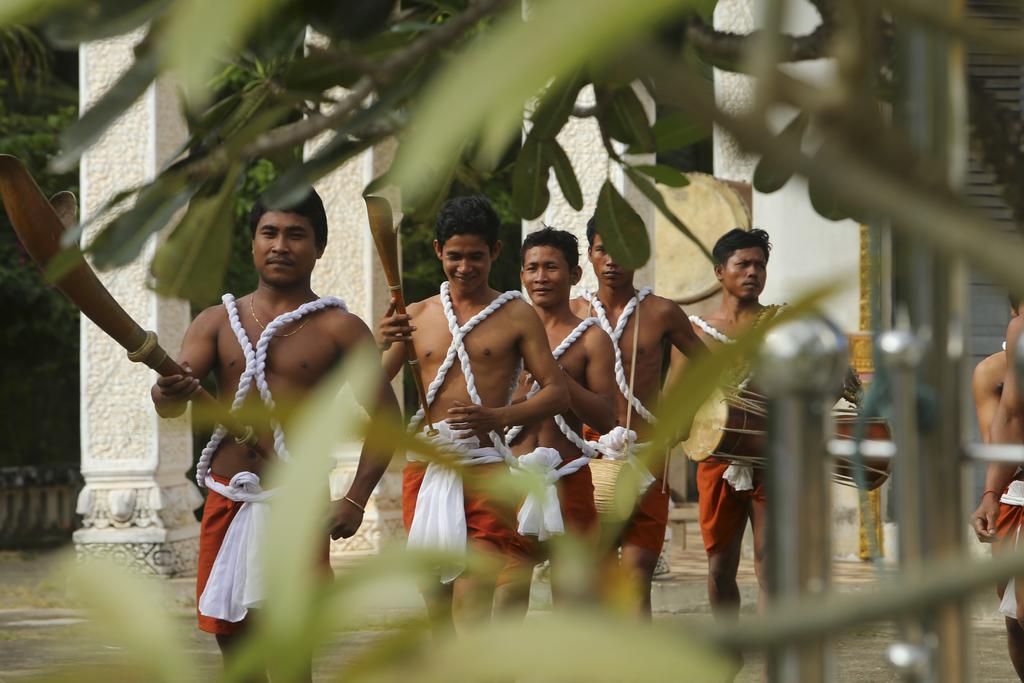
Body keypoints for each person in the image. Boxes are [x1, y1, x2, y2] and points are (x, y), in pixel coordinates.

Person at [151, 188, 399, 682]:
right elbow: (168, 402)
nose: (280, 245)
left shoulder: (340, 329)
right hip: (227, 501)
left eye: (295, 234)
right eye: (269, 233)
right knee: (236, 651)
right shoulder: (216, 322)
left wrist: (354, 500)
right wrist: (167, 388)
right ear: (252, 243)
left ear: (318, 247)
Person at [376, 196, 569, 634]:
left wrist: (498, 417)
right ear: (437, 250)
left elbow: (558, 394)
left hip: (486, 470)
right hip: (426, 471)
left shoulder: (516, 313)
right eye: (455, 256)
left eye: (476, 256)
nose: (465, 267)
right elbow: (367, 388)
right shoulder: (416, 316)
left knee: (473, 605)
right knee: (437, 610)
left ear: (495, 252)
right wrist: (377, 339)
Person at [569, 216, 707, 619]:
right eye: (602, 249)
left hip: (647, 455)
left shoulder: (662, 312)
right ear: (590, 257)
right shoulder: (573, 312)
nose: (612, 259)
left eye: (623, 250)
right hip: (587, 456)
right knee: (592, 572)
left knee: (636, 575)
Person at [493, 227, 617, 617]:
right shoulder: (500, 334)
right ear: (521, 276)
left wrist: (559, 383)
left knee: (574, 601)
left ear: (575, 275)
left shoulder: (592, 338)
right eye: (532, 268)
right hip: (512, 478)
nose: (541, 277)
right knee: (505, 597)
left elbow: (605, 416)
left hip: (569, 477)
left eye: (551, 267)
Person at [685, 228, 776, 622]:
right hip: (715, 460)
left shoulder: (780, 326)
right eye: (743, 264)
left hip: (772, 459)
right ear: (720, 271)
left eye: (760, 264)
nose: (753, 271)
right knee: (720, 568)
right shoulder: (697, 332)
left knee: (771, 565)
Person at [970, 295, 1024, 680]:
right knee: (1015, 620)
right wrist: (990, 494)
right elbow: (1004, 425)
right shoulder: (993, 371)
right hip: (1014, 488)